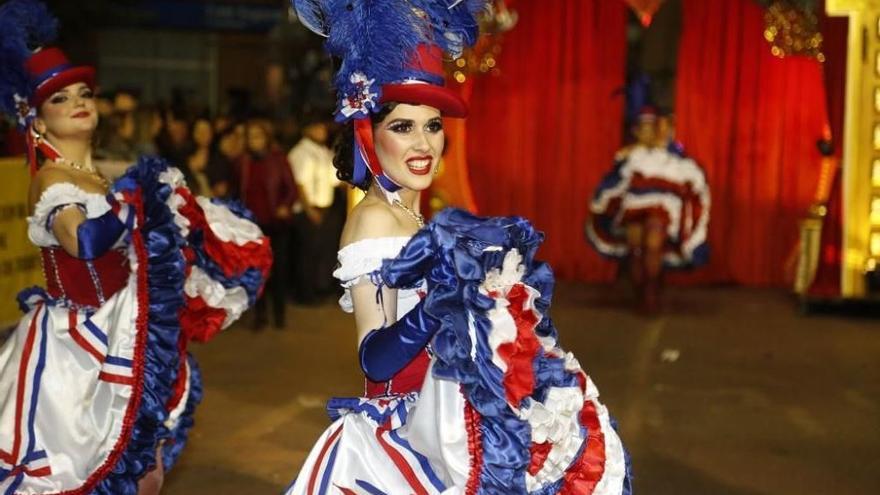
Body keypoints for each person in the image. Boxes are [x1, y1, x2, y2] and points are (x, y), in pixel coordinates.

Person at [284, 1, 632, 493]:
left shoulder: (411, 215)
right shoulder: (375, 220)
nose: (423, 144)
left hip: (446, 415)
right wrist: (443, 302)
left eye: (432, 126)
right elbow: (375, 359)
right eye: (402, 127)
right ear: (368, 134)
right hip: (404, 436)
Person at [0, 2, 272, 493]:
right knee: (85, 470)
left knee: (144, 471)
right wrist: (136, 202)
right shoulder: (49, 179)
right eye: (60, 98)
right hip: (77, 348)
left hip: (126, 328)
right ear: (37, 123)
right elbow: (83, 242)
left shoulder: (99, 176)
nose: (79, 101)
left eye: (84, 92)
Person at [586, 108, 710, 313]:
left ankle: (651, 292)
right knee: (635, 244)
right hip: (635, 208)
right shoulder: (634, 155)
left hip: (662, 212)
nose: (658, 131)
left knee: (653, 238)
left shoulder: (679, 159)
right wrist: (602, 201)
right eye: (652, 127)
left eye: (663, 127)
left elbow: (694, 186)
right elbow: (617, 181)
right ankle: (641, 290)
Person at [235, 118, 297, 329]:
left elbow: (291, 188)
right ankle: (260, 316)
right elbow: (239, 191)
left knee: (278, 271)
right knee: (257, 272)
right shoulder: (243, 162)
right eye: (251, 137)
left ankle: (279, 315)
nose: (254, 141)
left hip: (275, 223)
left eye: (258, 136)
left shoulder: (278, 159)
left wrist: (284, 205)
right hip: (252, 225)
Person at [287, 117, 344, 303]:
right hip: (308, 210)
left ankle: (318, 287)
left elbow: (335, 180)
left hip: (325, 208)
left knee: (320, 251)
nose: (323, 131)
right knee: (307, 254)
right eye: (318, 127)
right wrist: (309, 209)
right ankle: (304, 293)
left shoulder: (323, 151)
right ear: (307, 130)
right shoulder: (301, 152)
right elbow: (299, 184)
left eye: (323, 127)